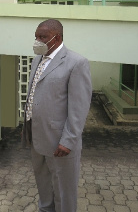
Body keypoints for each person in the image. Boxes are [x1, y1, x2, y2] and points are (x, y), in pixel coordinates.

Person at [22, 19, 92, 212]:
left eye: (42, 37)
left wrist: (68, 140)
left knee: (63, 191)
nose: (37, 40)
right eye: (36, 36)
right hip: (37, 138)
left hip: (59, 142)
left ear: (56, 37)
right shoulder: (38, 59)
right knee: (44, 187)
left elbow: (79, 107)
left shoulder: (76, 63)